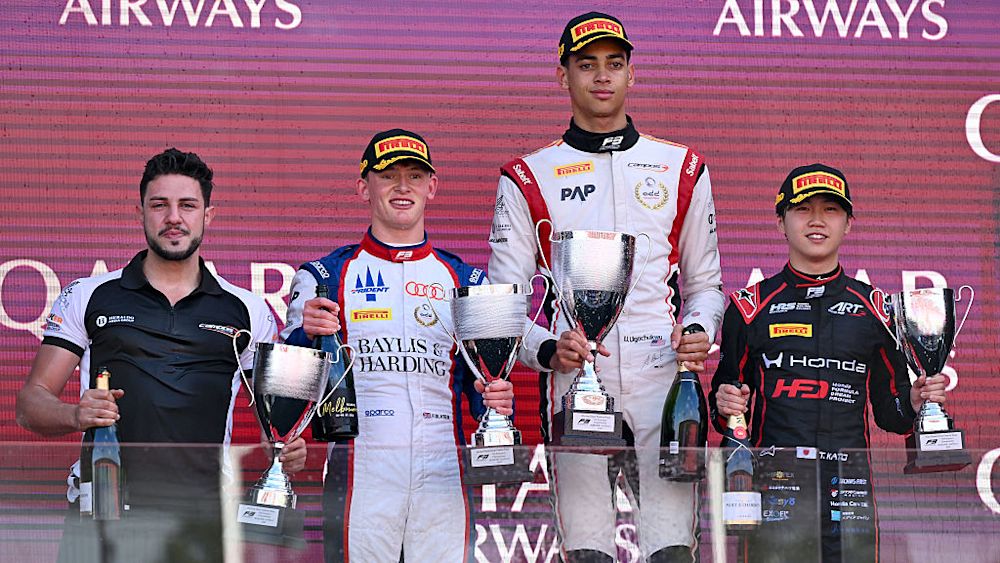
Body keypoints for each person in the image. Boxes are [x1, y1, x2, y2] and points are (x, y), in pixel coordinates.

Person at [487, 12, 725, 562]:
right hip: (576, 382)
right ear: (562, 75)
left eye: (614, 64)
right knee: (588, 551)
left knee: (670, 550)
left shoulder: (681, 167)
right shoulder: (528, 175)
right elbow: (502, 309)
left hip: (660, 379)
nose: (601, 76)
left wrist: (696, 330)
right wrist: (549, 349)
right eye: (586, 64)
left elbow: (706, 285)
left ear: (631, 75)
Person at [15, 148, 305, 562]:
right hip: (102, 515)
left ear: (208, 215)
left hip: (202, 521)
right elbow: (31, 404)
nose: (174, 217)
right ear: (141, 213)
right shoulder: (89, 295)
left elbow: (275, 421)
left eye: (187, 205)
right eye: (160, 205)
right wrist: (75, 415)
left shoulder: (247, 310)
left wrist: (285, 449)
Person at [281, 129, 549, 562]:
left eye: (414, 174)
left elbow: (486, 382)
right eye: (388, 175)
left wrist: (497, 408)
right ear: (363, 186)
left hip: (443, 468)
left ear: (432, 186)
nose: (402, 187)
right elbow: (286, 392)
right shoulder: (324, 276)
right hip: (361, 469)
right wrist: (302, 337)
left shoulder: (466, 281)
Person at [709, 163, 950, 562]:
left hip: (850, 486)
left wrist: (918, 401)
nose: (817, 220)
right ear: (780, 222)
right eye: (803, 209)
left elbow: (892, 415)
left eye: (831, 210)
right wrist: (725, 405)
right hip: (775, 489)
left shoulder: (877, 310)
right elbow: (727, 414)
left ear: (848, 224)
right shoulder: (749, 309)